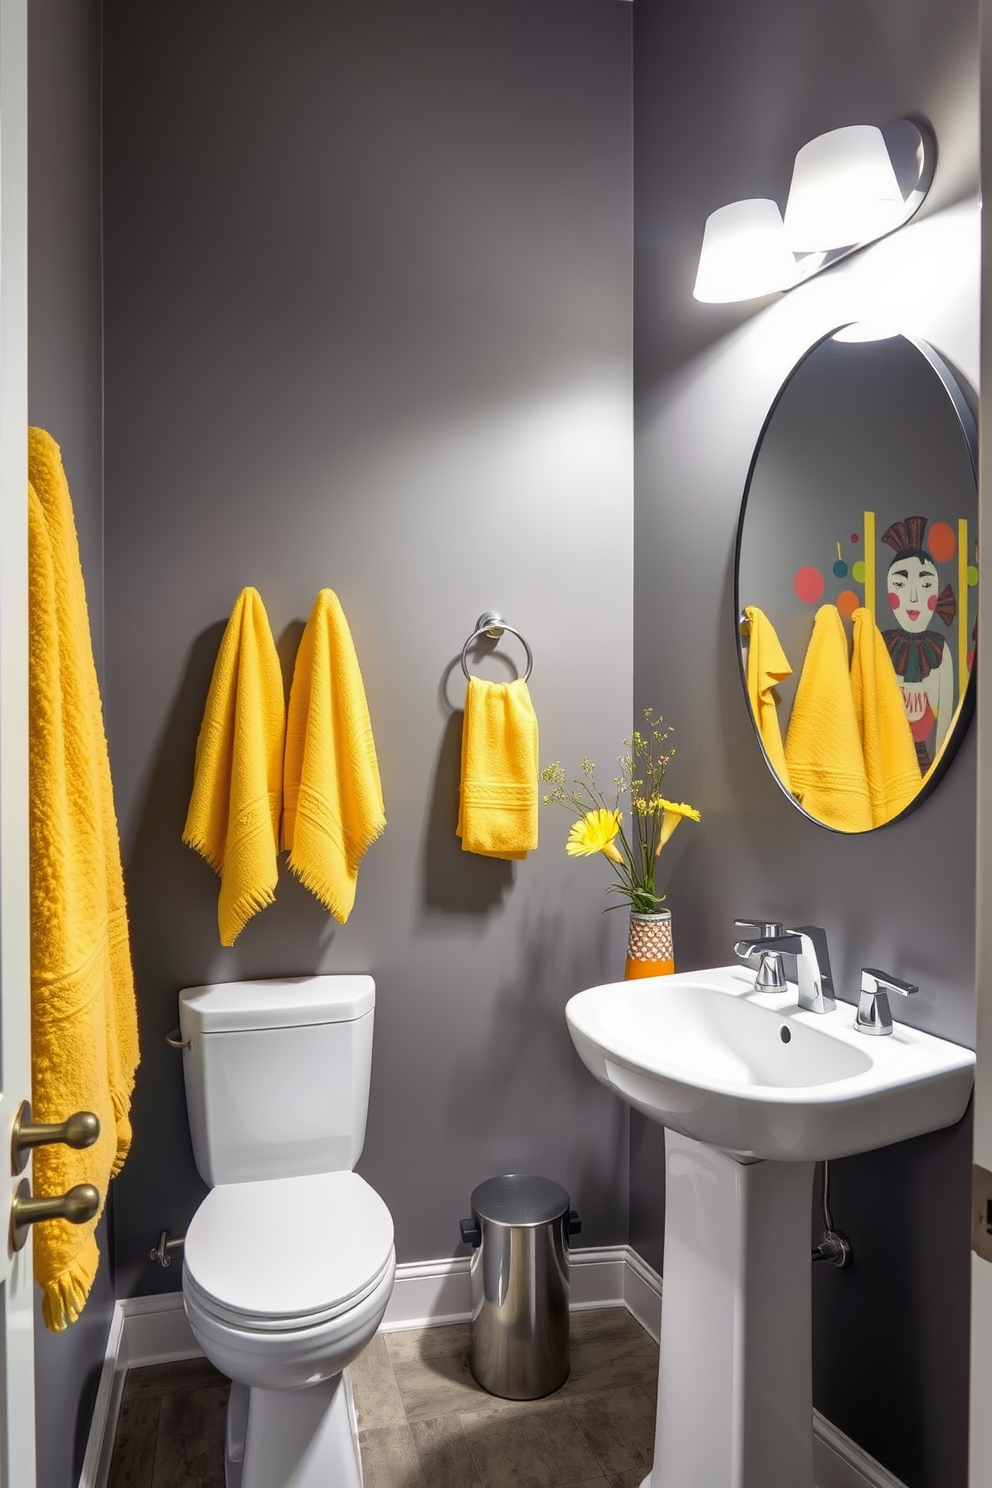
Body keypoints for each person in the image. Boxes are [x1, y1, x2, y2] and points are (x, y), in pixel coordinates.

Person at [880, 516, 956, 773]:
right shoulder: (881, 644)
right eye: (899, 584)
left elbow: (946, 717)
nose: (913, 597)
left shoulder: (940, 651)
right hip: (886, 760)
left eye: (925, 585)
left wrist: (938, 769)